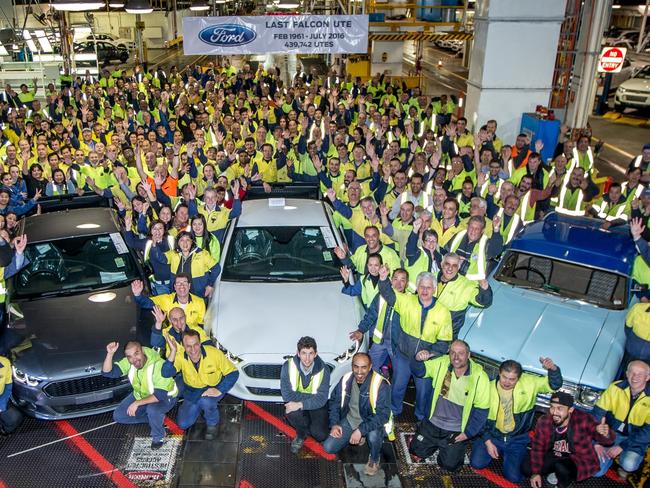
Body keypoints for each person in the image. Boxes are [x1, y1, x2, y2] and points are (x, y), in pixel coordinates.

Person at [378, 265, 452, 420]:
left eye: (429, 287)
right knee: (397, 387)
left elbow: (444, 342)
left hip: (426, 362)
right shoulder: (406, 300)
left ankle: (421, 418)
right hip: (403, 356)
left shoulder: (443, 312)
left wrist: (430, 353)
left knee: (423, 392)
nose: (425, 291)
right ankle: (394, 412)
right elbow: (388, 294)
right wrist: (384, 279)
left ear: (434, 289)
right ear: (417, 287)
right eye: (422, 287)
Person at [470, 358, 563, 483]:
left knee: (514, 478)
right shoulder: (487, 387)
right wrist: (487, 441)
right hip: (493, 436)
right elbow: (479, 419)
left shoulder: (530, 382)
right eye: (504, 377)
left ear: (519, 377)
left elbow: (554, 385)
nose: (507, 382)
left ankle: (523, 455)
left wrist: (553, 370)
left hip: (517, 439)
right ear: (499, 372)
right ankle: (496, 449)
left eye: (512, 379)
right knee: (476, 463)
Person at [408, 340, 489, 471]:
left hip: (455, 430)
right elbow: (419, 372)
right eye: (453, 353)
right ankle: (425, 438)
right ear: (449, 354)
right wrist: (417, 359)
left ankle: (445, 449)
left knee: (450, 466)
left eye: (461, 353)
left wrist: (468, 433)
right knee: (416, 451)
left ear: (468, 355)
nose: (456, 357)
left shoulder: (480, 377)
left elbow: (482, 411)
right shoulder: (442, 362)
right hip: (433, 423)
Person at [521, 391, 615, 488]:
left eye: (560, 408)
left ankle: (563, 482)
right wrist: (536, 473)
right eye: (552, 407)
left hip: (576, 458)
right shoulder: (544, 421)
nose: (554, 412)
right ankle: (556, 471)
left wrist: (605, 434)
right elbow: (538, 447)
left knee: (562, 469)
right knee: (527, 468)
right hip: (554, 455)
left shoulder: (583, 419)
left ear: (570, 410)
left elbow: (605, 439)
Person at [323, 352, 392, 477]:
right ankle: (357, 435)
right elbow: (334, 403)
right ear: (352, 366)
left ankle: (374, 458)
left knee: (373, 436)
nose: (359, 371)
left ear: (370, 367)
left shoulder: (381, 384)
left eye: (364, 367)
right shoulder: (345, 379)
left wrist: (361, 430)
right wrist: (335, 424)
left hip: (371, 422)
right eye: (356, 366)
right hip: (350, 420)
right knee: (329, 447)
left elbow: (383, 415)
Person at [162, 330, 239, 440]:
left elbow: (233, 373)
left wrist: (220, 390)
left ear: (200, 343)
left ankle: (212, 422)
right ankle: (198, 407)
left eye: (196, 345)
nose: (193, 350)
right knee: (183, 424)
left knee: (206, 402)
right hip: (192, 392)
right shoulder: (180, 356)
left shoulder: (214, 353)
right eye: (188, 346)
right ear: (183, 346)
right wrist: (173, 351)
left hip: (212, 389)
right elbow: (166, 373)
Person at [102, 340, 179, 449]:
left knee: (153, 410)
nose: (134, 359)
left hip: (166, 397)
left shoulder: (158, 365)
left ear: (142, 351)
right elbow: (108, 373)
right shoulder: (130, 362)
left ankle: (159, 435)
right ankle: (153, 419)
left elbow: (159, 395)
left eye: (136, 353)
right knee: (119, 416)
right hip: (142, 395)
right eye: (129, 356)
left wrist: (137, 403)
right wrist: (110, 354)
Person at [592, 360, 650, 480]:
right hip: (610, 434)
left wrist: (622, 446)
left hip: (634, 438)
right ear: (627, 373)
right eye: (632, 372)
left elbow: (647, 433)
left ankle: (622, 462)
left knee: (630, 464)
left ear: (647, 377)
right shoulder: (615, 388)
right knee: (596, 472)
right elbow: (596, 415)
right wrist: (596, 442)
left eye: (640, 374)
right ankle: (609, 456)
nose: (635, 377)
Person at [349, 268, 408, 376]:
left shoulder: (409, 300)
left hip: (397, 345)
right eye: (395, 279)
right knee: (369, 368)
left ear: (407, 283)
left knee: (399, 375)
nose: (398, 283)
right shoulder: (381, 296)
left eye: (402, 280)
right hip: (379, 341)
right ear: (390, 280)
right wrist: (360, 330)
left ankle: (389, 390)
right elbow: (371, 315)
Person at [280, 336, 331, 454]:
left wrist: (300, 404)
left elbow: (322, 399)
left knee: (320, 435)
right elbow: (287, 395)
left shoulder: (324, 369)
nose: (307, 358)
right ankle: (301, 434)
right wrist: (308, 401)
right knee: (290, 411)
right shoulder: (287, 366)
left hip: (316, 406)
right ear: (298, 353)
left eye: (310, 353)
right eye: (304, 353)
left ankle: (309, 425)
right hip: (307, 403)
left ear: (316, 354)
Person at [436, 253, 492, 338]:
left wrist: (485, 288)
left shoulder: (466, 285)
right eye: (447, 264)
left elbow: (484, 302)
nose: (450, 268)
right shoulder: (431, 278)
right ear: (441, 264)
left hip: (445, 336)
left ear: (458, 268)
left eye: (454, 265)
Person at [132, 274, 206, 330]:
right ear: (174, 287)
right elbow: (147, 303)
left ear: (189, 286)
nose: (181, 286)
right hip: (173, 337)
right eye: (178, 283)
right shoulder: (167, 300)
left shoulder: (200, 302)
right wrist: (137, 294)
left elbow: (201, 325)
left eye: (184, 283)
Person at [446, 215, 503, 280]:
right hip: (451, 278)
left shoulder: (485, 243)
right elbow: (445, 251)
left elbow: (497, 250)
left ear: (482, 231)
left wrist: (496, 229)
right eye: (471, 227)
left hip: (471, 284)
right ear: (467, 227)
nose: (473, 231)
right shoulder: (459, 236)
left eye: (477, 229)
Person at [0, 354, 24, 435]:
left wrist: (1, 406)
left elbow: (7, 387)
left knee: (15, 418)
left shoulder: (5, 362)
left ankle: (4, 431)